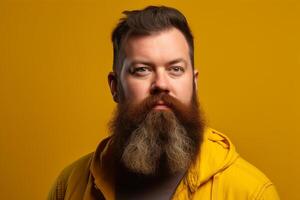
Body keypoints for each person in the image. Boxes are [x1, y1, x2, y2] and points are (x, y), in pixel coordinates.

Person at [48, 6, 280, 200]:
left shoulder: (250, 193)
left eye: (175, 69)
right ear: (115, 86)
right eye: (142, 70)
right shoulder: (69, 186)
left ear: (194, 84)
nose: (161, 83)